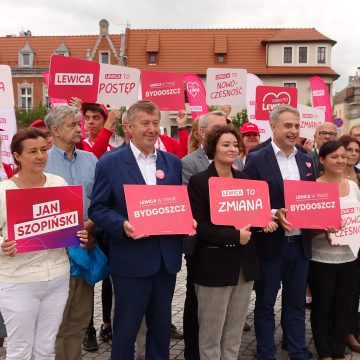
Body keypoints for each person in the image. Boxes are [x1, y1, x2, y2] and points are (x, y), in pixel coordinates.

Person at [88, 100, 184, 360]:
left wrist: (189, 219)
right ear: (128, 126)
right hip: (131, 260)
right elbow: (97, 208)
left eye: (155, 123)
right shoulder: (110, 163)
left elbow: (178, 204)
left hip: (165, 260)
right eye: (145, 123)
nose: (152, 129)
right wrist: (121, 225)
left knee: (161, 328)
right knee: (126, 329)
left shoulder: (173, 163)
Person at [188, 125, 277, 360]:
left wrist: (264, 223)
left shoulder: (245, 179)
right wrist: (234, 237)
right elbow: (200, 228)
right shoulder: (199, 182)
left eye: (235, 145)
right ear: (212, 148)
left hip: (243, 266)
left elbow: (251, 217)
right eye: (225, 144)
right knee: (211, 335)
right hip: (213, 266)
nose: (232, 149)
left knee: (234, 332)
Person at [0, 127, 88, 359]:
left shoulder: (58, 183)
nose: (40, 156)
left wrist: (79, 234)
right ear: (17, 156)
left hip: (57, 276)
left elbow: (68, 223)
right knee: (20, 347)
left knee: (46, 346)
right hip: (19, 280)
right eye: (32, 152)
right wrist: (2, 244)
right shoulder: (4, 191)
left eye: (43, 150)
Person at [243, 104, 315, 360]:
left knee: (295, 303)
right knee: (264, 304)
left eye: (296, 126)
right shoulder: (256, 159)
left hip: (299, 245)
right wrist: (274, 213)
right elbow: (250, 201)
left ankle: (297, 351)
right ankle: (265, 353)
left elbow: (313, 201)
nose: (293, 131)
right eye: (288, 126)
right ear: (272, 126)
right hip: (270, 245)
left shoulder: (307, 161)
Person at [44, 105, 98, 360]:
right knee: (56, 320)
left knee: (79, 317)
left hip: (85, 247)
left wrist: (90, 225)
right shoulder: (42, 160)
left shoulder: (91, 160)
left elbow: (100, 201)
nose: (79, 128)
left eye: (79, 124)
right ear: (55, 130)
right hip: (53, 252)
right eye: (72, 125)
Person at [308, 140, 359, 360]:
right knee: (322, 306)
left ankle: (338, 350)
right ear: (322, 160)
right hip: (322, 257)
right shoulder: (314, 188)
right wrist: (321, 229)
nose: (340, 160)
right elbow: (305, 227)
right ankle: (324, 352)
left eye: (343, 156)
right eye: (334, 157)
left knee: (346, 306)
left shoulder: (354, 186)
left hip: (350, 256)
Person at [338, 135, 360, 353]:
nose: (352, 154)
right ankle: (343, 333)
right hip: (337, 246)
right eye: (348, 151)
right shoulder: (328, 178)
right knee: (343, 293)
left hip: (357, 241)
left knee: (354, 291)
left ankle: (352, 330)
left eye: (356, 151)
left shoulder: (359, 176)